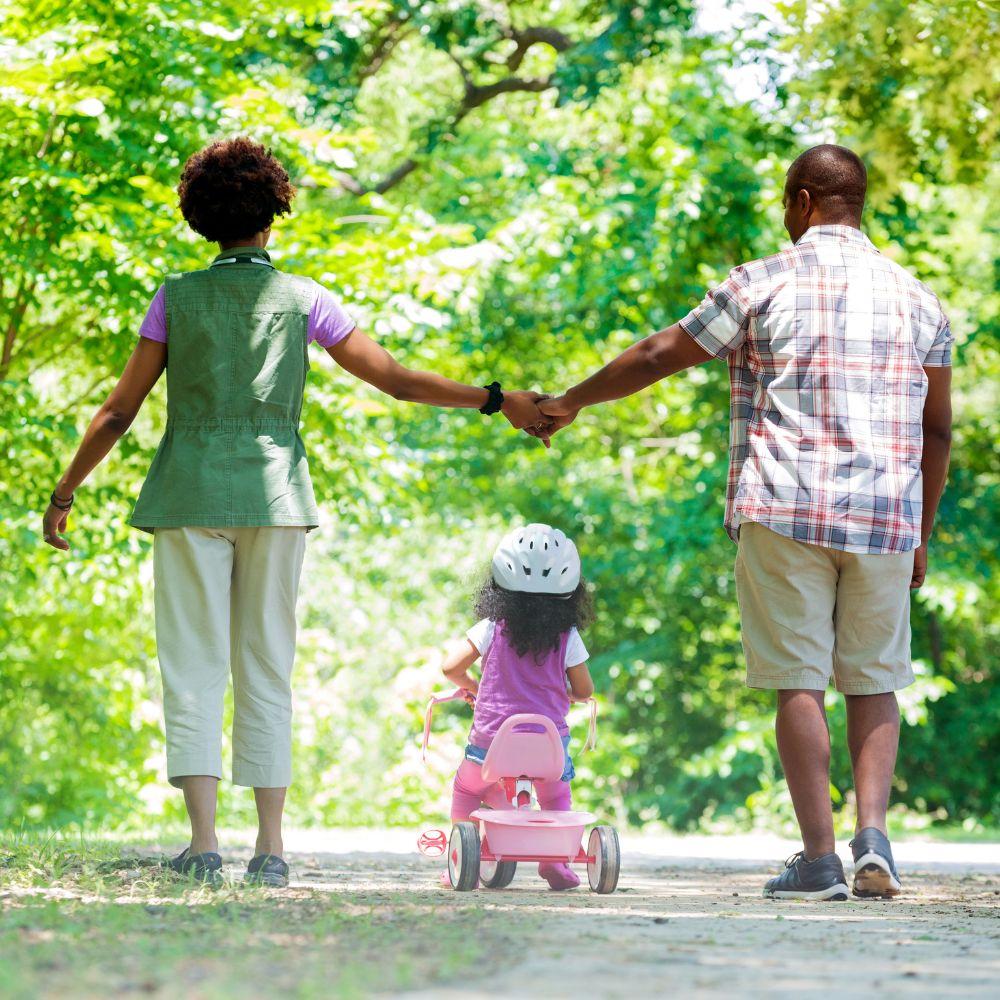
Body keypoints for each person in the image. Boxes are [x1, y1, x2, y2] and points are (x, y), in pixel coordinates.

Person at [41, 136, 549, 887]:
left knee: (192, 667)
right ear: (273, 213)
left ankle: (205, 844)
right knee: (266, 665)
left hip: (186, 497)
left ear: (199, 217)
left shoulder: (174, 298)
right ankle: (270, 848)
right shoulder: (306, 299)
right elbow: (399, 381)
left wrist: (65, 490)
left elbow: (120, 411)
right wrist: (499, 400)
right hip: (277, 500)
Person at [534, 144, 953, 900]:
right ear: (858, 204)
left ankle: (820, 858)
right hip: (887, 516)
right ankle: (875, 842)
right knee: (876, 679)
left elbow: (662, 353)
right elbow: (939, 429)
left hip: (785, 505)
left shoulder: (763, 282)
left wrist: (571, 400)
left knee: (798, 678)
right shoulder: (918, 298)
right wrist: (922, 532)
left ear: (800, 201)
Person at [438, 523, 595, 890]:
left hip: (491, 744)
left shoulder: (491, 627)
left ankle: (460, 860)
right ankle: (555, 862)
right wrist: (567, 695)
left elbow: (450, 668)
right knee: (556, 795)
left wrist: (475, 687)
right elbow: (585, 689)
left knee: (467, 790)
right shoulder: (567, 636)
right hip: (547, 748)